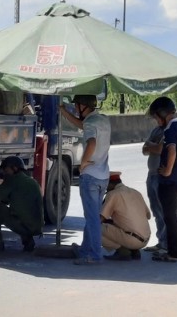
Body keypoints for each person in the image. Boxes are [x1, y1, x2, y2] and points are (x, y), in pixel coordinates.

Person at [60, 95, 111, 265]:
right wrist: (64, 112)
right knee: (93, 216)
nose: (74, 108)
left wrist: (82, 164)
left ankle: (95, 255)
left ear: (83, 106)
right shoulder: (102, 120)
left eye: (75, 105)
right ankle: (85, 249)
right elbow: (81, 125)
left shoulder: (90, 123)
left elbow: (91, 143)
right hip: (103, 175)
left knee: (91, 218)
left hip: (90, 176)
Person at [147, 97, 177, 262]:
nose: (156, 120)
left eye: (156, 116)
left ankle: (173, 253)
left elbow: (171, 150)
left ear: (162, 114)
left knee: (169, 217)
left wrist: (167, 171)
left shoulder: (170, 129)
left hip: (169, 182)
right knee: (173, 216)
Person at [0, 156, 44, 252]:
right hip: (37, 227)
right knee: (21, 214)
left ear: (14, 168)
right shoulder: (32, 181)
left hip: (23, 226)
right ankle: (28, 242)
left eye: (6, 169)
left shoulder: (12, 180)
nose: (5, 172)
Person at [101, 172, 151, 261]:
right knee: (118, 225)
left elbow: (101, 218)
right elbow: (148, 215)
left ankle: (123, 251)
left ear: (110, 184)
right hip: (145, 239)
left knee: (94, 228)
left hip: (132, 239)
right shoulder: (135, 192)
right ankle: (134, 250)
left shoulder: (113, 194)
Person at [142, 124, 167, 252]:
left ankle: (166, 243)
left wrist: (150, 145)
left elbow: (159, 149)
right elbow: (144, 150)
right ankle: (161, 241)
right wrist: (153, 145)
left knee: (163, 210)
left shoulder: (170, 130)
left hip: (160, 175)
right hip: (151, 174)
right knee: (156, 210)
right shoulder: (156, 130)